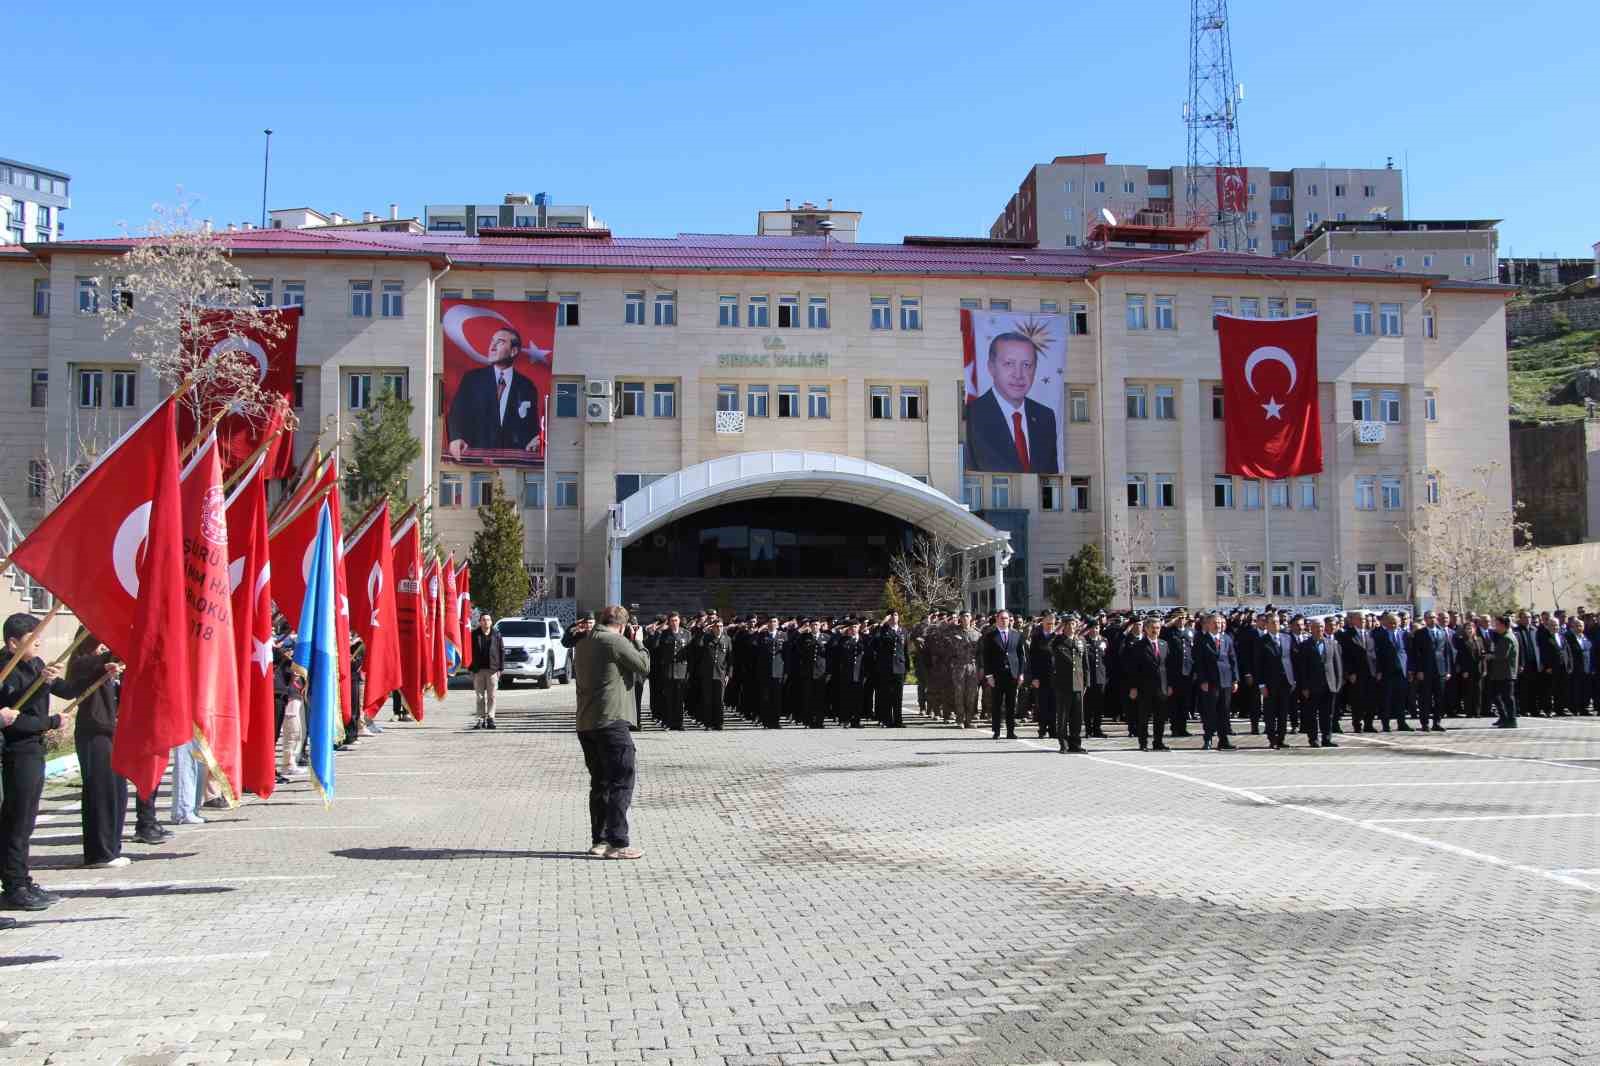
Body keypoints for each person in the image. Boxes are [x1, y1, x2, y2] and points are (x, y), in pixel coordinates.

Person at [1, 612, 75, 910]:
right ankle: (14, 885)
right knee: (16, 820)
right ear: (12, 642)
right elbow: (15, 720)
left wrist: (98, 670)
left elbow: (67, 690)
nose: (38, 642)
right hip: (17, 752)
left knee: (26, 820)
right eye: (31, 638)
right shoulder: (6, 670)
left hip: (35, 751)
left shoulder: (35, 664)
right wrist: (53, 721)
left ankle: (20, 878)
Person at [573, 605, 650, 860]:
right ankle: (618, 842)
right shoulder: (615, 641)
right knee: (621, 780)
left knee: (600, 783)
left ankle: (600, 840)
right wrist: (638, 643)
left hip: (586, 722)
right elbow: (643, 666)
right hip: (611, 721)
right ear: (622, 625)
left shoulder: (583, 642)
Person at [64, 634, 129, 868]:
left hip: (112, 732)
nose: (103, 648)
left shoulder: (108, 667)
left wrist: (117, 674)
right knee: (99, 792)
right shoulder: (83, 665)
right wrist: (104, 666)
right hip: (94, 733)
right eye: (98, 644)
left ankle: (113, 846)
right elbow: (83, 676)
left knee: (117, 792)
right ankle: (99, 852)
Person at [963, 332, 1060, 473]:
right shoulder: (973, 414)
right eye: (1009, 364)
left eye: (1026, 365)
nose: (1018, 374)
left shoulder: (1045, 416)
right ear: (991, 367)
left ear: (1035, 369)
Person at [445, 326, 542, 459]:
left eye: (500, 342)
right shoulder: (472, 379)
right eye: (492, 341)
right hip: (475, 457)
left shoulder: (527, 386)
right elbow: (457, 413)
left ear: (513, 351)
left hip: (511, 461)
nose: (492, 347)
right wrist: (455, 438)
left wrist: (535, 440)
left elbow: (531, 427)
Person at [1122, 617, 1169, 751]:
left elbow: (1167, 666)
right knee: (1143, 717)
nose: (1155, 631)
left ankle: (1158, 742)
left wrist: (1169, 685)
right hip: (1144, 687)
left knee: (1160, 718)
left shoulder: (1164, 644)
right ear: (1146, 629)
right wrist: (1133, 687)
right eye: (1152, 628)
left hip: (1161, 686)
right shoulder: (1138, 645)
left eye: (1158, 628)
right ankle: (1143, 743)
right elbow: (1133, 669)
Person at [1294, 618, 1342, 748]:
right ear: (1311, 629)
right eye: (1316, 627)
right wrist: (1304, 686)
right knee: (1311, 715)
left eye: (1321, 627)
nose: (1319, 629)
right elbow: (1302, 669)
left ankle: (1327, 738)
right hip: (1312, 686)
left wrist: (1337, 684)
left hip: (1329, 685)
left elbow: (1337, 665)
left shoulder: (1332, 643)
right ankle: (1313, 739)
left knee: (1327, 714)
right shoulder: (1304, 645)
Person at [1194, 613, 1237, 751]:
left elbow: (1232, 659)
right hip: (1210, 681)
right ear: (1208, 624)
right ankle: (1208, 739)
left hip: (1225, 680)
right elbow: (1199, 662)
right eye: (1215, 623)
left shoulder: (1227, 639)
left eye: (1219, 623)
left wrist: (1235, 679)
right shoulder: (1201, 640)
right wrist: (1203, 680)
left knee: (1224, 711)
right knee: (1209, 712)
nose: (1218, 625)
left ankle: (1224, 740)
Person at [980, 609, 1026, 739]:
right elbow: (986, 657)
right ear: (997, 619)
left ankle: (1011, 731)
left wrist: (1021, 673)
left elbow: (1021, 656)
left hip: (1012, 674)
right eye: (1001, 618)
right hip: (996, 675)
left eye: (1006, 618)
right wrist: (989, 676)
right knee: (997, 704)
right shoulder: (990, 636)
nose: (1004, 620)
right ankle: (997, 731)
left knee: (1011, 704)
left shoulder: (1016, 635)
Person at [1254, 613, 1296, 749]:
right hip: (1270, 683)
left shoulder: (1287, 638)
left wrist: (1293, 679)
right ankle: (1272, 738)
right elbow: (1258, 665)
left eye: (1278, 622)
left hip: (1286, 681)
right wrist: (1261, 684)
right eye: (1272, 622)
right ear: (1267, 624)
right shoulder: (1262, 641)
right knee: (1270, 712)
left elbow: (1293, 659)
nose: (1276, 625)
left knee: (1284, 712)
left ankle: (1281, 738)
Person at [1048, 616, 1088, 753]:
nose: (1072, 626)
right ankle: (1063, 744)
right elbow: (1046, 643)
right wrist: (1056, 629)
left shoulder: (1081, 641)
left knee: (1077, 716)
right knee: (1063, 716)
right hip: (1063, 683)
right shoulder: (1057, 641)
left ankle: (1075, 744)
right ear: (1064, 626)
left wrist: (1086, 682)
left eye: (1074, 623)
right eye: (1069, 624)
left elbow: (1085, 664)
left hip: (1078, 682)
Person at [1372, 612, 1413, 732]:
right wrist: (1379, 670)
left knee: (1401, 699)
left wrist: (1410, 669)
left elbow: (1409, 652)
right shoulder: (1380, 635)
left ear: (1399, 623)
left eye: (1396, 623)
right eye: (1391, 623)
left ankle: (1402, 723)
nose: (1394, 625)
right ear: (1386, 623)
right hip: (1387, 671)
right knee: (1387, 699)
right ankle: (1386, 724)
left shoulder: (1405, 635)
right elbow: (1378, 654)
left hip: (1402, 670)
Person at [870, 612, 908, 728]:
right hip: (886, 667)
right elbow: (874, 642)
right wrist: (882, 623)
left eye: (896, 615)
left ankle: (898, 720)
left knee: (898, 696)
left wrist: (907, 667)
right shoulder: (882, 630)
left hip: (899, 667)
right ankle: (886, 720)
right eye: (891, 615)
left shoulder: (903, 631)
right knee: (885, 695)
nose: (894, 617)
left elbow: (905, 650)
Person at [469, 613, 503, 730]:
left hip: (492, 670)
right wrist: (471, 669)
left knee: (492, 696)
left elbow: (501, 651)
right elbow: (469, 652)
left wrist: (500, 668)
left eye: (488, 620)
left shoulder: (496, 634)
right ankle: (480, 719)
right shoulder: (474, 635)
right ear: (480, 622)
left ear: (491, 622)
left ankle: (491, 718)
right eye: (483, 620)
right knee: (480, 697)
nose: (486, 622)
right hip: (478, 670)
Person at [1486, 615, 1520, 728]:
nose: (1495, 626)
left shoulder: (1507, 638)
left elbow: (1501, 655)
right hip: (1500, 673)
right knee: (1495, 695)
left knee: (1507, 697)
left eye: (1497, 624)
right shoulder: (1503, 636)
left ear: (1503, 625)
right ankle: (1504, 717)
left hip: (1506, 673)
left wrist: (1489, 656)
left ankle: (1511, 720)